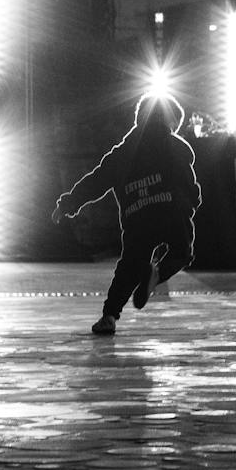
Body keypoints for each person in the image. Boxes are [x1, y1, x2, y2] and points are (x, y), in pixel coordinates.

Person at [51, 92, 201, 336]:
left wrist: (68, 204)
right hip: (171, 211)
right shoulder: (177, 146)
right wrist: (192, 202)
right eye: (175, 125)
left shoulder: (121, 154)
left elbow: (95, 181)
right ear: (169, 120)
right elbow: (188, 182)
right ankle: (156, 274)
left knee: (129, 267)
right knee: (181, 252)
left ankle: (109, 316)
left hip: (137, 216)